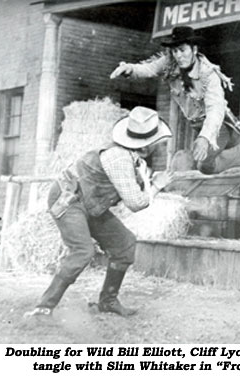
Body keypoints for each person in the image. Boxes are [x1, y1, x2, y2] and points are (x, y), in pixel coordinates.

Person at [26, 107, 173, 317]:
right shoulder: (118, 158)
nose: (159, 146)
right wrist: (157, 186)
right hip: (69, 198)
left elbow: (132, 185)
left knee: (125, 243)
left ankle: (108, 301)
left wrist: (149, 181)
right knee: (83, 251)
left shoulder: (134, 158)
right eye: (157, 142)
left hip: (92, 202)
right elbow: (135, 203)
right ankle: (44, 307)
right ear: (146, 146)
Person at [110, 26, 240, 174]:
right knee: (234, 151)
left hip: (218, 125)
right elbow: (149, 69)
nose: (179, 56)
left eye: (183, 50)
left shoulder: (209, 74)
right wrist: (130, 69)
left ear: (194, 49)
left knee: (204, 165)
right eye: (175, 51)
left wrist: (205, 138)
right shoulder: (170, 62)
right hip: (198, 125)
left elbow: (215, 111)